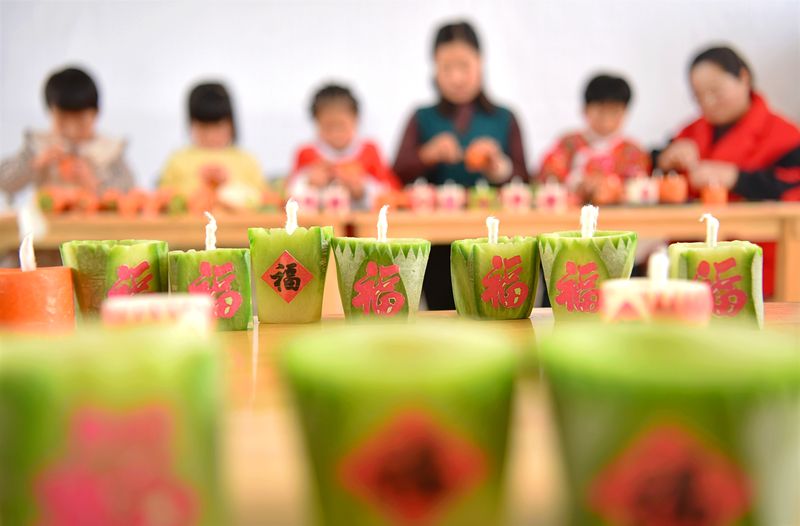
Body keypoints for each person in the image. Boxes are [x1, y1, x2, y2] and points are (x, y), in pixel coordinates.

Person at [393, 20, 528, 309]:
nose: (456, 77)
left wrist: (498, 167)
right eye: (446, 68)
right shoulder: (421, 117)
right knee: (443, 311)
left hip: (496, 241)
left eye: (464, 66)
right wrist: (428, 154)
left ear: (481, 63)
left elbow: (525, 177)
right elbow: (397, 172)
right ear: (435, 69)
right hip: (436, 244)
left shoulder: (505, 117)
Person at [657, 45, 800, 296]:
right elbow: (655, 172)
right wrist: (666, 160)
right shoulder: (689, 132)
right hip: (689, 267)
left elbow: (791, 189)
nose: (708, 103)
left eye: (716, 91)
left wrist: (737, 178)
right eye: (699, 97)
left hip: (760, 271)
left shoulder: (785, 135)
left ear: (743, 78)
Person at [0, 66, 134, 201]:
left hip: (92, 221)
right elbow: (4, 181)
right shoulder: (38, 145)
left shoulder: (109, 150)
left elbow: (130, 193)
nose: (72, 130)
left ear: (95, 114)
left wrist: (93, 182)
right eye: (62, 121)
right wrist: (35, 164)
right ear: (50, 112)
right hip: (48, 221)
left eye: (80, 122)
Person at [539, 74, 650, 203]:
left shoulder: (633, 151)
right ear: (585, 109)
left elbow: (639, 185)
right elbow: (548, 173)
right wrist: (576, 183)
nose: (607, 120)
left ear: (625, 112)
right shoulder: (568, 144)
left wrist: (611, 189)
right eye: (600, 111)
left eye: (614, 112)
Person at [287, 84, 399, 209]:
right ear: (316, 123)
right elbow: (287, 198)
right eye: (328, 127)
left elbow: (392, 193)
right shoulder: (306, 153)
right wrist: (307, 182)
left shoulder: (369, 151)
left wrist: (362, 189)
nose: (335, 134)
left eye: (341, 126)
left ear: (356, 120)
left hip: (364, 226)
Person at [159, 82, 264, 196]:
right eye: (203, 128)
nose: (210, 136)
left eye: (218, 126)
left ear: (231, 125)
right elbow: (163, 197)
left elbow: (262, 198)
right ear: (191, 125)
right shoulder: (178, 160)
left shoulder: (247, 161)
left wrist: (227, 184)